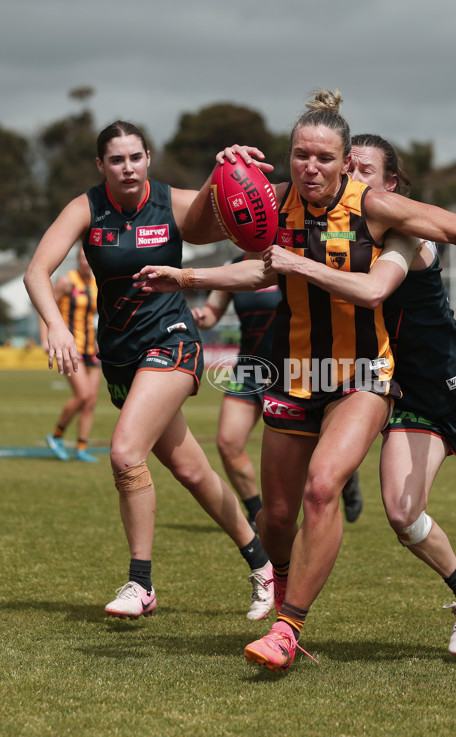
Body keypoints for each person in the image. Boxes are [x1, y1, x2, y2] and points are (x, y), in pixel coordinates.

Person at [134, 88, 456, 671]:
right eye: (301, 155)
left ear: (346, 161)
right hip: (297, 373)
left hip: (364, 375)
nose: (311, 167)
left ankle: (287, 627)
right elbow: (212, 235)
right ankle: (281, 597)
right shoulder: (274, 204)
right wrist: (197, 244)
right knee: (276, 517)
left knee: (323, 488)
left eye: (324, 157)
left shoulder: (373, 207)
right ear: (290, 155)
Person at [264, 132, 456, 657]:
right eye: (351, 168)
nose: (353, 180)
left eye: (365, 172)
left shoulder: (403, 238)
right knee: (402, 513)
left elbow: (451, 238)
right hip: (405, 392)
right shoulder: (338, 232)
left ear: (391, 187)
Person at [24, 120, 274, 622]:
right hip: (120, 355)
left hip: (172, 343)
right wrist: (54, 325)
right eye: (116, 160)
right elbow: (36, 271)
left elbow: (216, 216)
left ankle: (140, 583)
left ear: (148, 158)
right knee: (191, 470)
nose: (127, 167)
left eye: (135, 157)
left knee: (124, 452)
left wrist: (228, 169)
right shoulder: (86, 208)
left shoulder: (171, 202)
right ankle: (263, 563)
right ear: (101, 166)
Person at [191, 256, 365, 529]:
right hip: (250, 368)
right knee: (228, 443)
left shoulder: (290, 257)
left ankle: (348, 480)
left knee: (316, 448)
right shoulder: (231, 267)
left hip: (295, 367)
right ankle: (257, 512)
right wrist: (201, 317)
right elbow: (212, 312)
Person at [40, 243, 102, 463]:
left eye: (89, 258)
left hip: (91, 348)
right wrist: (45, 337)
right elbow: (46, 307)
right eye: (82, 258)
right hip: (70, 348)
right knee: (82, 395)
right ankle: (56, 436)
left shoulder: (96, 283)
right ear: (77, 259)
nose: (86, 262)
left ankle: (81, 447)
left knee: (91, 400)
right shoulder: (67, 281)